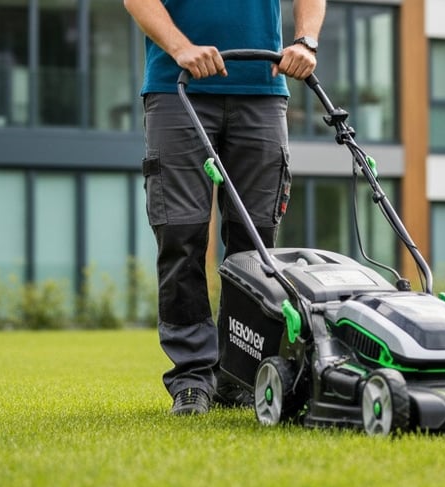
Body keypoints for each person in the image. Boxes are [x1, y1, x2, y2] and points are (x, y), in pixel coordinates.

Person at [123, 0, 326, 415]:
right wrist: (181, 47)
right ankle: (193, 379)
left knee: (255, 246)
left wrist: (305, 41)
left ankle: (239, 373)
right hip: (177, 87)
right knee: (181, 235)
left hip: (262, 89)